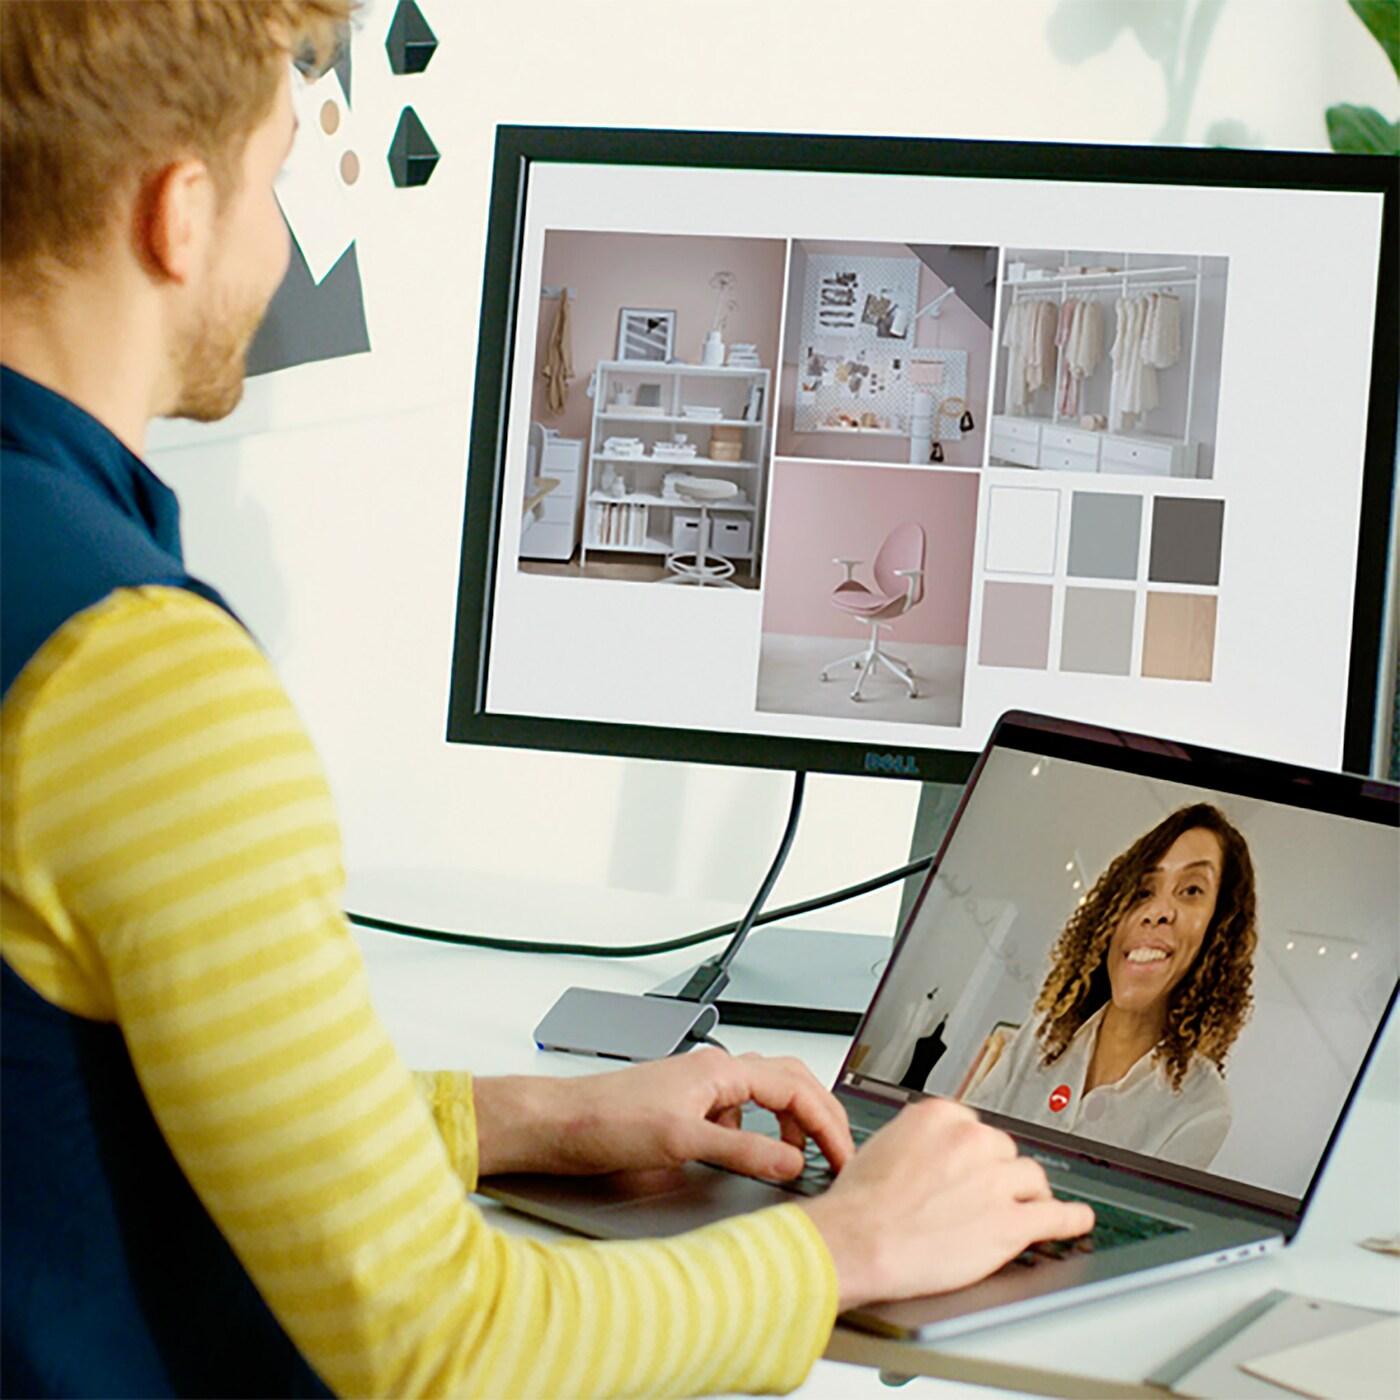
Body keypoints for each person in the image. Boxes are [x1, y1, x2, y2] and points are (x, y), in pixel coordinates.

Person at [0, 4, 1091, 1395]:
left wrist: (514, 1117)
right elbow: (438, 1345)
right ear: (180, 213)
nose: (277, 245)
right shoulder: (134, 680)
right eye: (276, 178)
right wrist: (851, 1245)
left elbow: (72, 1104)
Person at [965, 803, 1258, 1169]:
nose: (1158, 911)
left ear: (1219, 930)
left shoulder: (1203, 1107)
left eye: (1192, 890)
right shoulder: (1041, 1036)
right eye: (1143, 892)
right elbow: (958, 1151)